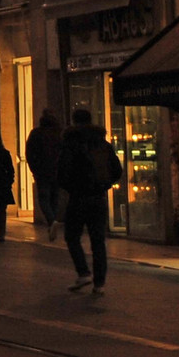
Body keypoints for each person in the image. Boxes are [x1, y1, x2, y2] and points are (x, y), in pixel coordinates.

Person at [55, 107, 119, 297]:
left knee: (72, 236)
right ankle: (99, 284)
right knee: (98, 241)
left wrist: (70, 187)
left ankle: (83, 272)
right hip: (98, 197)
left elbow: (62, 171)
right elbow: (116, 170)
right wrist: (104, 185)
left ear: (74, 121)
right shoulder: (102, 143)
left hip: (78, 197)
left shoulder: (70, 143)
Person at [25, 109, 64, 240]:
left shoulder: (36, 133)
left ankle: (51, 220)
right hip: (57, 172)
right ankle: (52, 221)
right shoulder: (59, 133)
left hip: (42, 172)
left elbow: (30, 153)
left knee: (44, 198)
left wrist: (34, 169)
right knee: (54, 197)